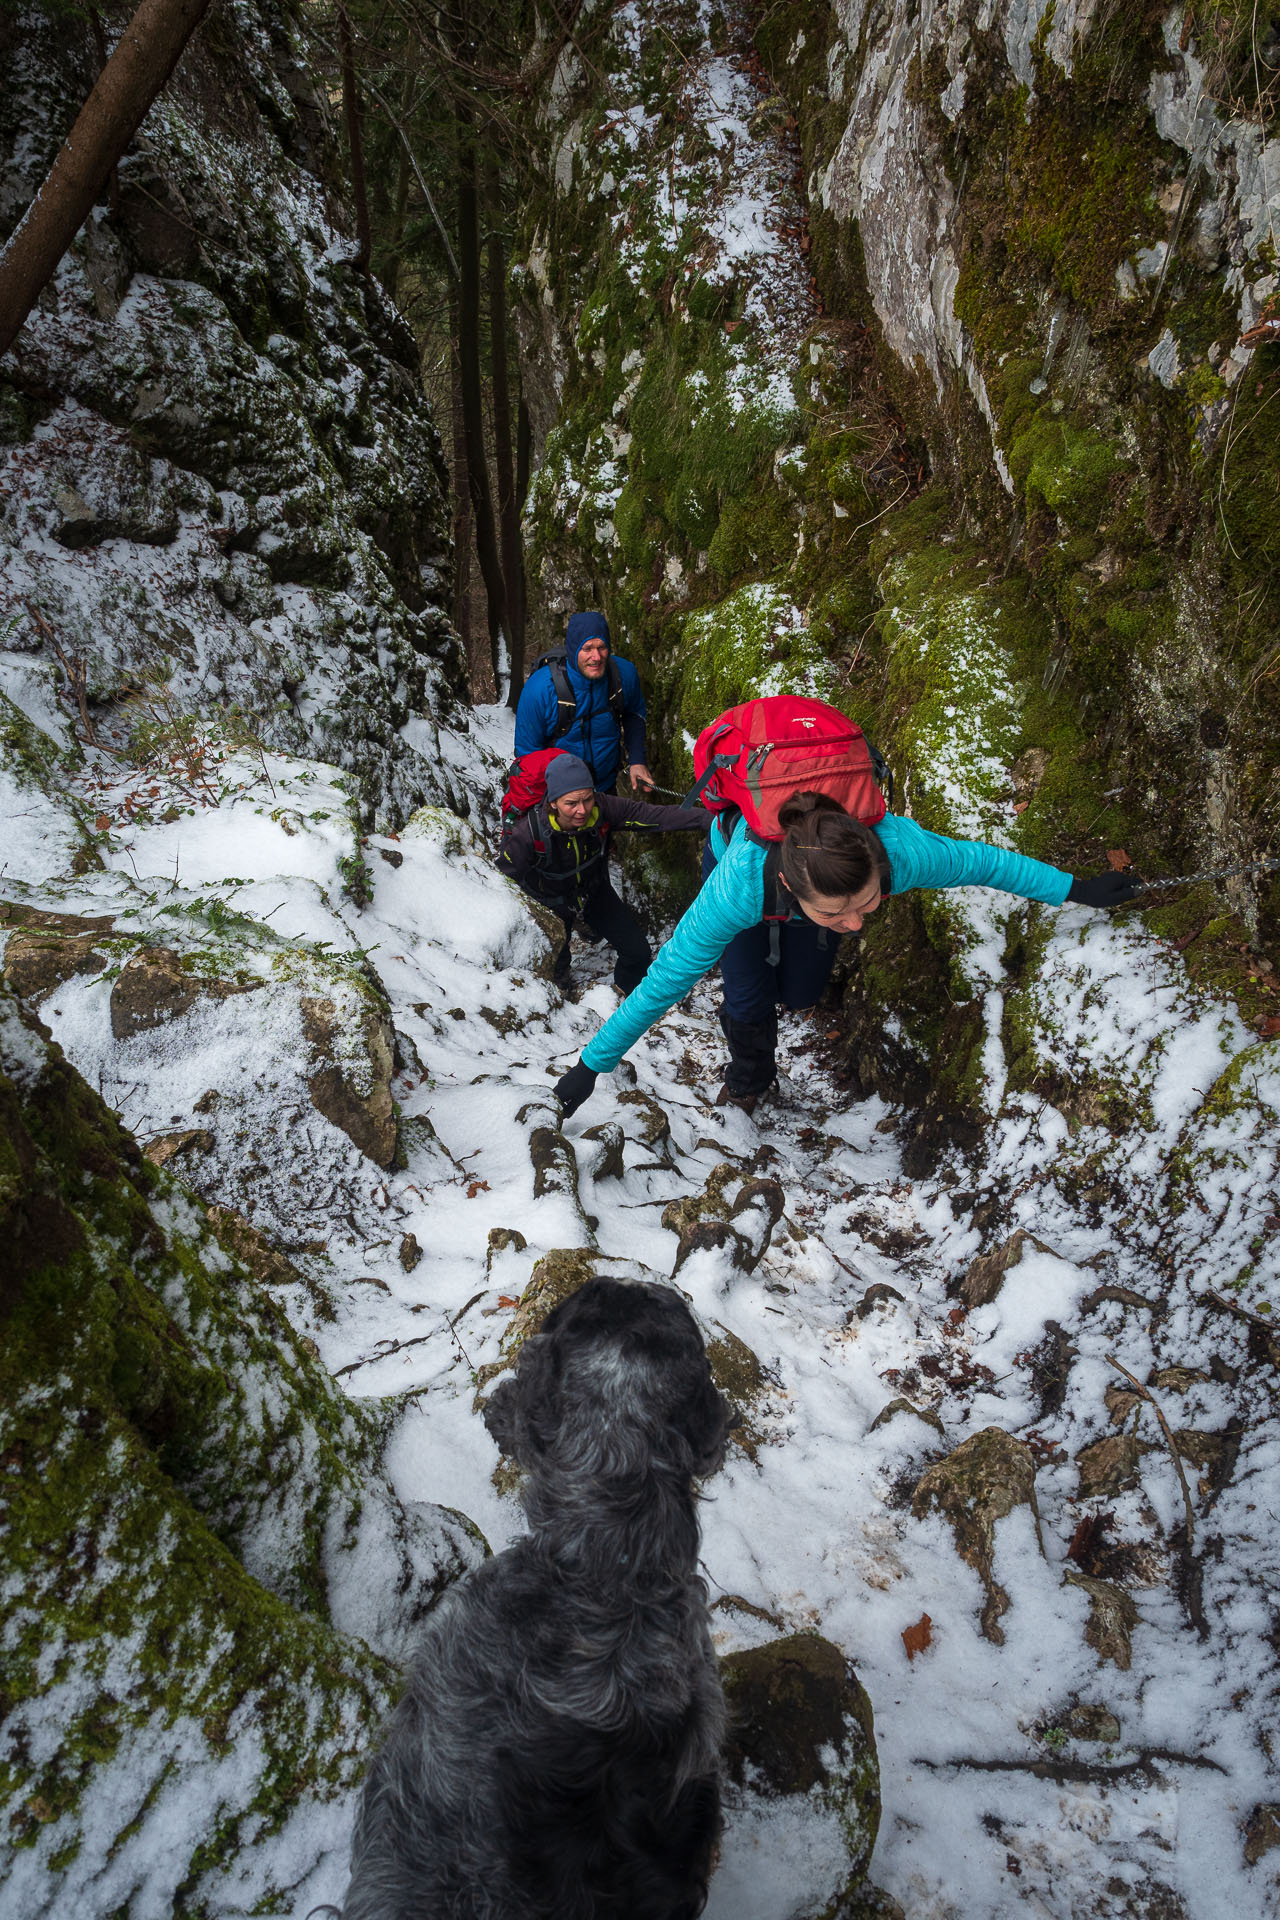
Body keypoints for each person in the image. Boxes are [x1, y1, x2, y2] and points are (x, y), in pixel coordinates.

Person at [553, 791, 1143, 1117]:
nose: (857, 924)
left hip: (818, 880)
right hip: (737, 864)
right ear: (793, 890)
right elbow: (665, 980)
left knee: (802, 991)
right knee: (749, 990)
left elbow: (986, 861)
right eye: (840, 915)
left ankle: (775, 986)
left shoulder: (898, 856)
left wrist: (1076, 889)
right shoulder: (735, 891)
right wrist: (592, 1064)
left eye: (868, 904)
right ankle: (750, 1078)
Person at [498, 753, 708, 993]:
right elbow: (503, 881)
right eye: (571, 803)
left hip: (593, 891)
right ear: (553, 802)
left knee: (637, 952)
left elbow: (651, 816)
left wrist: (707, 819)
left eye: (587, 799)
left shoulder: (602, 807)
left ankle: (625, 995)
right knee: (556, 970)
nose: (582, 810)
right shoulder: (528, 834)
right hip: (549, 902)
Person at [514, 611, 653, 794]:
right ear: (573, 650)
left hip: (605, 788)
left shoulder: (623, 675)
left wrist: (637, 760)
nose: (596, 657)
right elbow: (527, 754)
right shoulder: (540, 689)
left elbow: (633, 714)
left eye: (602, 647)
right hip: (559, 798)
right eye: (587, 648)